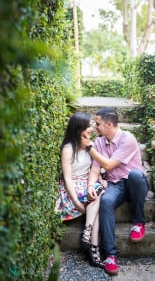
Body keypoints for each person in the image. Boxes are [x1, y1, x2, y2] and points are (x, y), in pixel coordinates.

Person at [81, 107, 149, 275]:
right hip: (115, 185)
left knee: (135, 175)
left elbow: (109, 165)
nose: (95, 127)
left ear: (109, 124)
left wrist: (89, 148)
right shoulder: (99, 142)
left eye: (98, 124)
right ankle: (110, 256)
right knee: (105, 201)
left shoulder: (128, 139)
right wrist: (90, 186)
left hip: (135, 184)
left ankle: (139, 222)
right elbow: (96, 169)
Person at [55, 112, 105, 268]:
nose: (91, 128)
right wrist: (76, 202)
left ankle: (87, 234)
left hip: (86, 183)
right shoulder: (68, 148)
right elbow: (67, 178)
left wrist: (100, 179)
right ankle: (93, 247)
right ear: (78, 128)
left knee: (98, 190)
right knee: (97, 196)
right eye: (88, 126)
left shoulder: (90, 144)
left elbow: (94, 168)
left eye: (91, 125)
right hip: (73, 187)